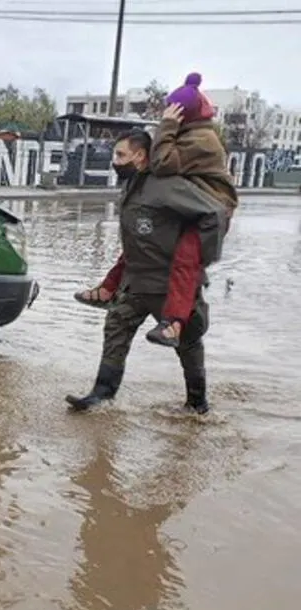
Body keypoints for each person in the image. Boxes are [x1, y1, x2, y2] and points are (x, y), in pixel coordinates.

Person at [66, 128, 228, 414]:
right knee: (116, 327)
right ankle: (101, 394)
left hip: (171, 285)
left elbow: (213, 214)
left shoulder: (166, 186)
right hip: (135, 282)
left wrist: (201, 256)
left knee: (188, 343)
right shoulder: (131, 184)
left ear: (140, 156)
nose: (115, 160)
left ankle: (197, 405)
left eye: (120, 154)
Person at [78, 73, 238, 349]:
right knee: (137, 244)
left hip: (210, 210)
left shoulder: (201, 139)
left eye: (121, 155)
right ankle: (107, 290)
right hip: (190, 207)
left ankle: (174, 323)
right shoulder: (185, 137)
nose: (115, 161)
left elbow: (163, 162)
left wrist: (167, 125)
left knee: (185, 261)